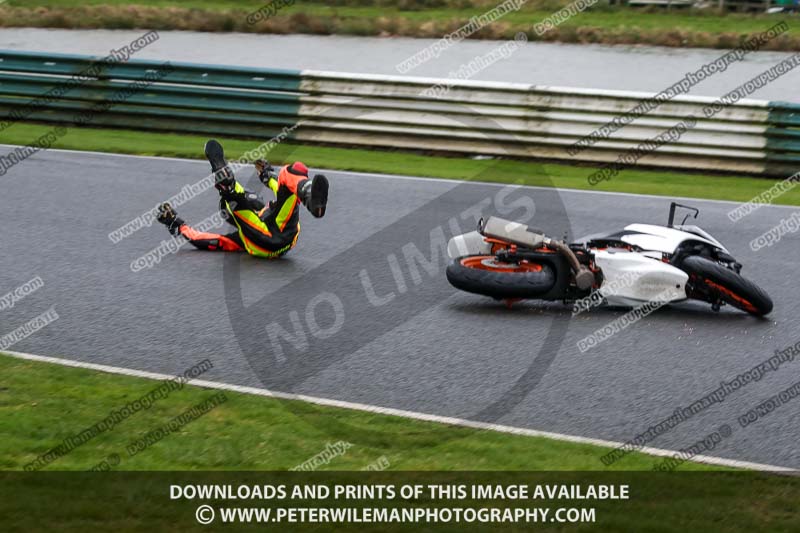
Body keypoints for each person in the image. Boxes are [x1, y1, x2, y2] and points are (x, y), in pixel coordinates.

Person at [156, 139, 328, 258]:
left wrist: (177, 224)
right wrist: (268, 177)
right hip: (283, 236)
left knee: (288, 176)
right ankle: (229, 188)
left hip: (270, 242)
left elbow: (208, 241)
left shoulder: (243, 238)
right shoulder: (248, 228)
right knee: (290, 171)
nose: (253, 198)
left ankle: (309, 193)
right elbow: (207, 240)